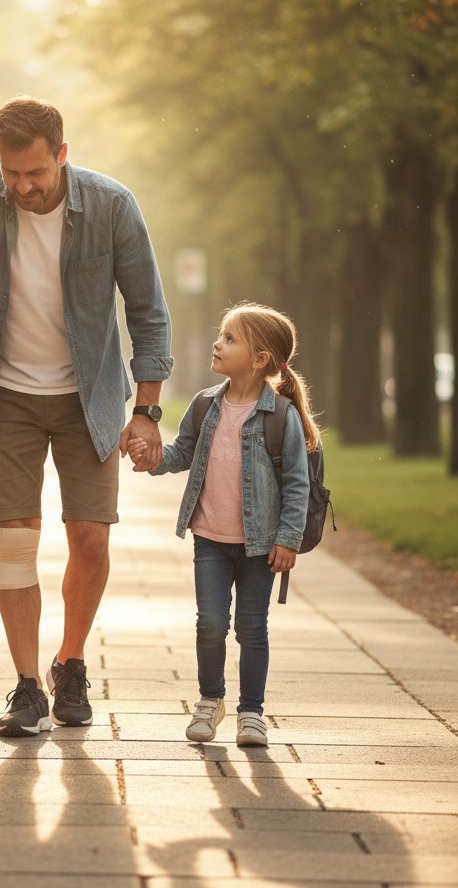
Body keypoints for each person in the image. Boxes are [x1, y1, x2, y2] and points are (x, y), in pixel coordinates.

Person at [0, 96, 173, 737]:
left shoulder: (111, 205)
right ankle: (28, 685)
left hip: (89, 398)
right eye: (11, 173)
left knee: (91, 537)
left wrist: (146, 410)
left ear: (63, 154)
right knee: (17, 540)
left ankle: (71, 663)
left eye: (35, 173)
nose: (22, 187)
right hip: (3, 393)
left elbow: (148, 313)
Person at [128, 302, 315, 747]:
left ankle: (252, 713)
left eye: (229, 339)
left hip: (261, 546)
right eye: (220, 334)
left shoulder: (281, 415)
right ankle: (210, 702)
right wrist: (151, 458)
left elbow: (297, 482)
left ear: (260, 359)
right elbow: (182, 453)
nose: (218, 342)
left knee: (252, 628)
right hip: (210, 538)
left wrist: (288, 539)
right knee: (211, 623)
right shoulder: (205, 404)